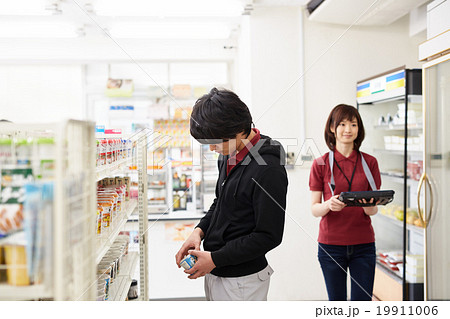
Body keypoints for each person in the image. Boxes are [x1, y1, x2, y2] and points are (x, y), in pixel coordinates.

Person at [175, 87, 288, 301]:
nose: (212, 149)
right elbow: (221, 202)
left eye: (215, 142)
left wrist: (216, 259)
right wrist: (198, 232)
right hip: (217, 271)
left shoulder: (268, 168)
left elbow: (269, 235)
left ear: (237, 129)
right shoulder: (229, 154)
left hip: (242, 281)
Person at [309, 104, 381, 301]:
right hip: (331, 246)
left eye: (353, 124)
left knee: (362, 304)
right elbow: (315, 209)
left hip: (364, 245)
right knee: (337, 304)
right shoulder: (321, 164)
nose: (348, 129)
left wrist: (367, 204)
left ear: (359, 129)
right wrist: (328, 205)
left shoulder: (370, 163)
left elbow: (373, 210)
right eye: (342, 124)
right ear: (332, 128)